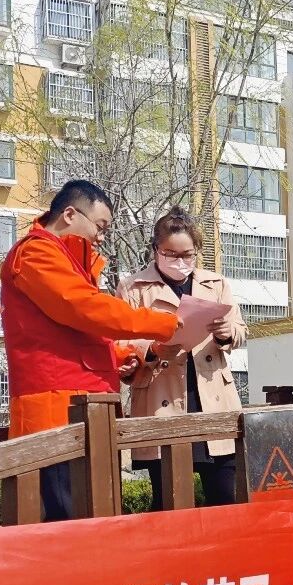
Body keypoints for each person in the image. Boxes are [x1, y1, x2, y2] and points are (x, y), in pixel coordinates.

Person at [1, 180, 179, 521]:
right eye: (100, 226)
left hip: (83, 408)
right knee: (68, 521)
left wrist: (129, 356)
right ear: (70, 214)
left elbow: (79, 335)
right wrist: (161, 323)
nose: (101, 237)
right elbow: (85, 309)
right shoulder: (37, 253)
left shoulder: (65, 260)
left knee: (91, 518)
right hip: (57, 412)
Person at [119, 207, 247, 509]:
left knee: (225, 498)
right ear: (155, 249)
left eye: (187, 255)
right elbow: (120, 342)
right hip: (162, 394)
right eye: (170, 254)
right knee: (170, 502)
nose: (179, 261)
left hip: (211, 394)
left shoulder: (216, 284)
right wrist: (152, 348)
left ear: (197, 251)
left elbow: (241, 331)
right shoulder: (133, 287)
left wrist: (226, 333)